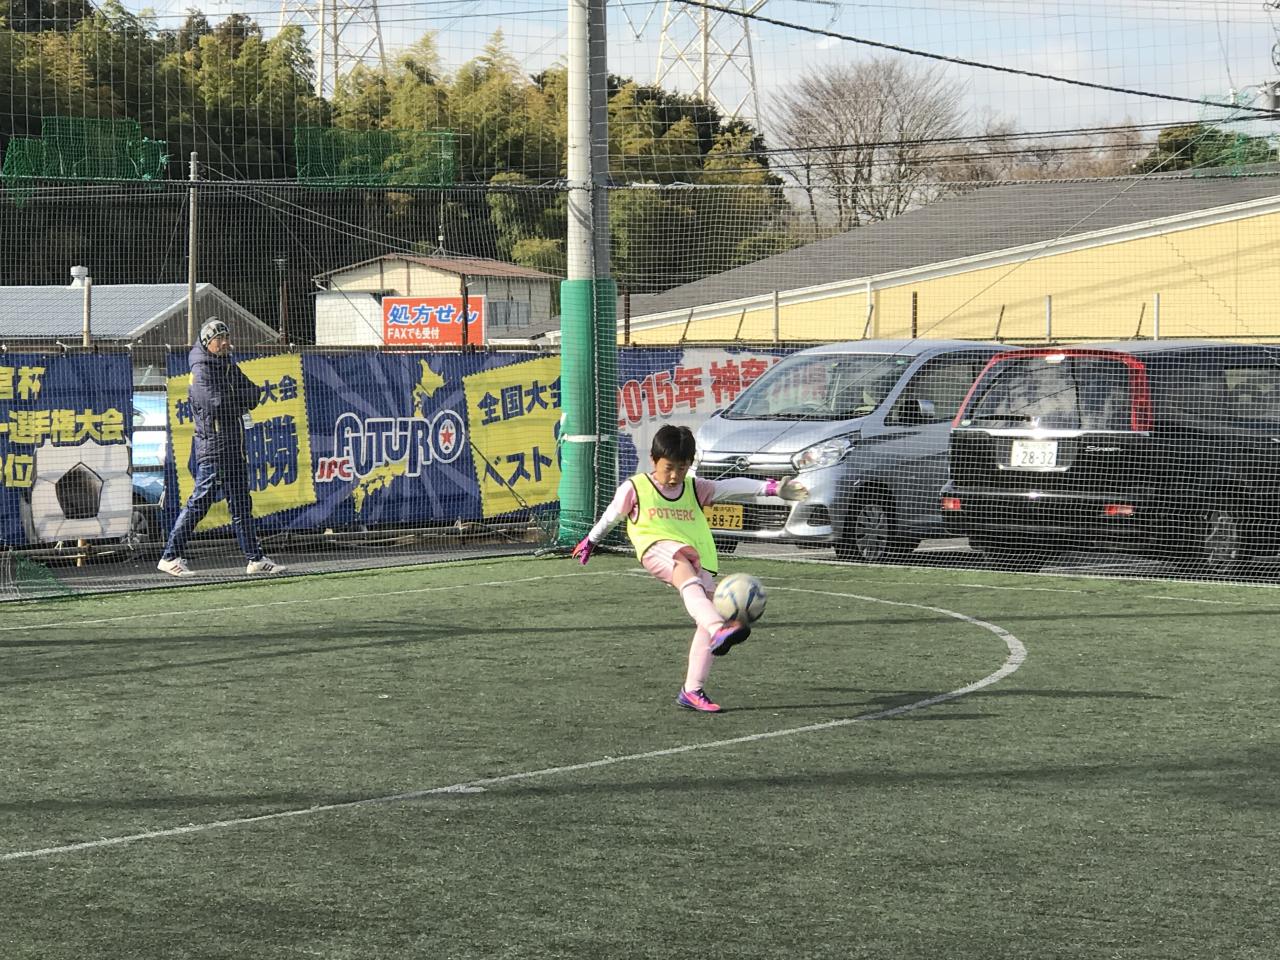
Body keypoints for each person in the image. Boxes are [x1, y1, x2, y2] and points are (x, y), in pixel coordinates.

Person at [571, 424, 808, 713]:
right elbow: (613, 515)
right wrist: (591, 540)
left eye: (682, 469)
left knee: (706, 613)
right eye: (668, 467)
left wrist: (771, 488)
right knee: (683, 567)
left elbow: (729, 487)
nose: (674, 476)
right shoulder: (636, 487)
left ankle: (692, 690)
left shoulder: (694, 488)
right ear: (654, 461)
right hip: (655, 547)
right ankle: (719, 628)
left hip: (694, 557)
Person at [157, 318, 286, 577]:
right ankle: (170, 555)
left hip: (234, 447)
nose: (226, 343)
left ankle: (255, 558)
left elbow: (254, 393)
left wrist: (236, 400)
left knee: (241, 504)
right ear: (208, 342)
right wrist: (238, 401)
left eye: (227, 337)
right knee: (199, 503)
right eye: (220, 339)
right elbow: (216, 404)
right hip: (214, 449)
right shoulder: (202, 370)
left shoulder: (227, 364)